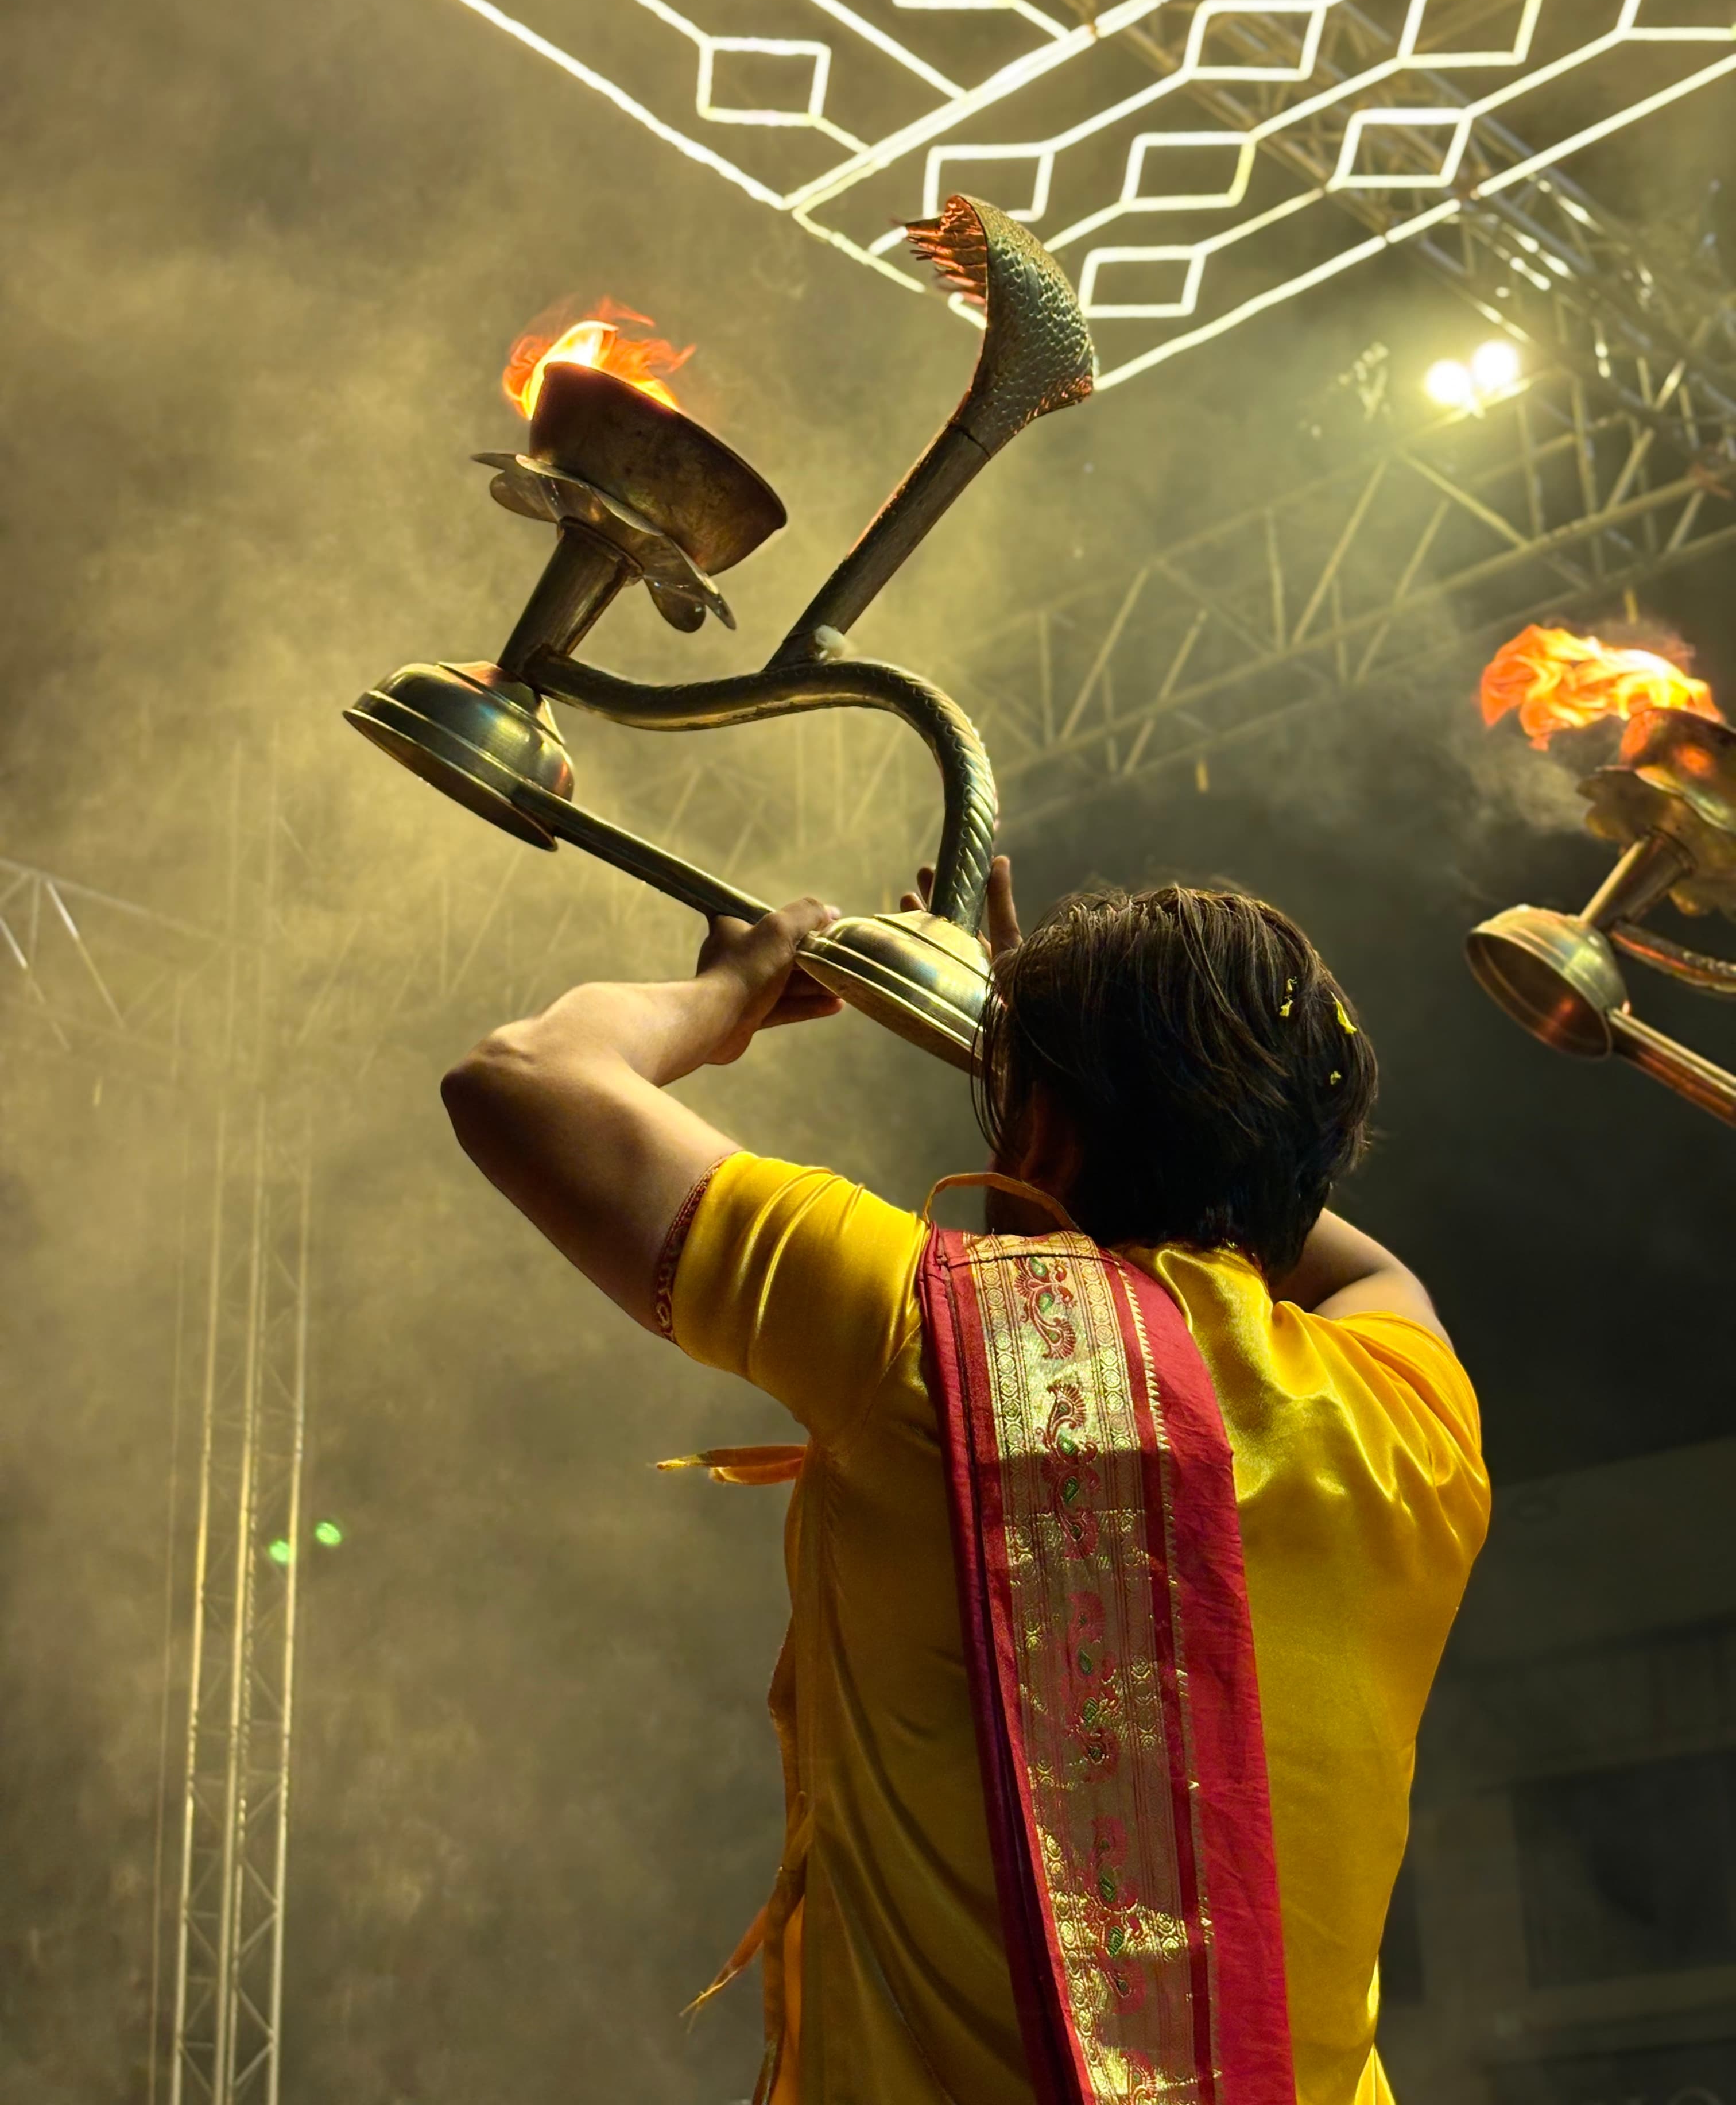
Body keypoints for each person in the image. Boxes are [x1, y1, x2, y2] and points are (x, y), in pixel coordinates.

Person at [441, 858, 1489, 2105]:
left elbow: (520, 1077)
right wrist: (1070, 1085)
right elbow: (1361, 1262)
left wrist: (728, 991)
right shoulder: (1416, 1419)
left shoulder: (915, 1332)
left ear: (1038, 1129)